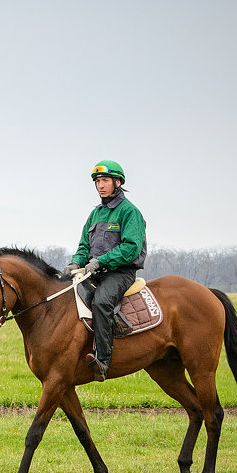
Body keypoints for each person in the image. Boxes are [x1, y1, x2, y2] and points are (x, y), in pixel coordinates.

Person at [63, 160, 147, 382]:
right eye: (98, 181)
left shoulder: (130, 212)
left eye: (105, 181)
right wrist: (75, 262)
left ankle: (103, 361)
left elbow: (131, 248)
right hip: (95, 271)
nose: (101, 185)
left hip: (120, 274)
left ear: (118, 182)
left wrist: (101, 261)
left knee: (100, 302)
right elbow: (84, 246)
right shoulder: (95, 214)